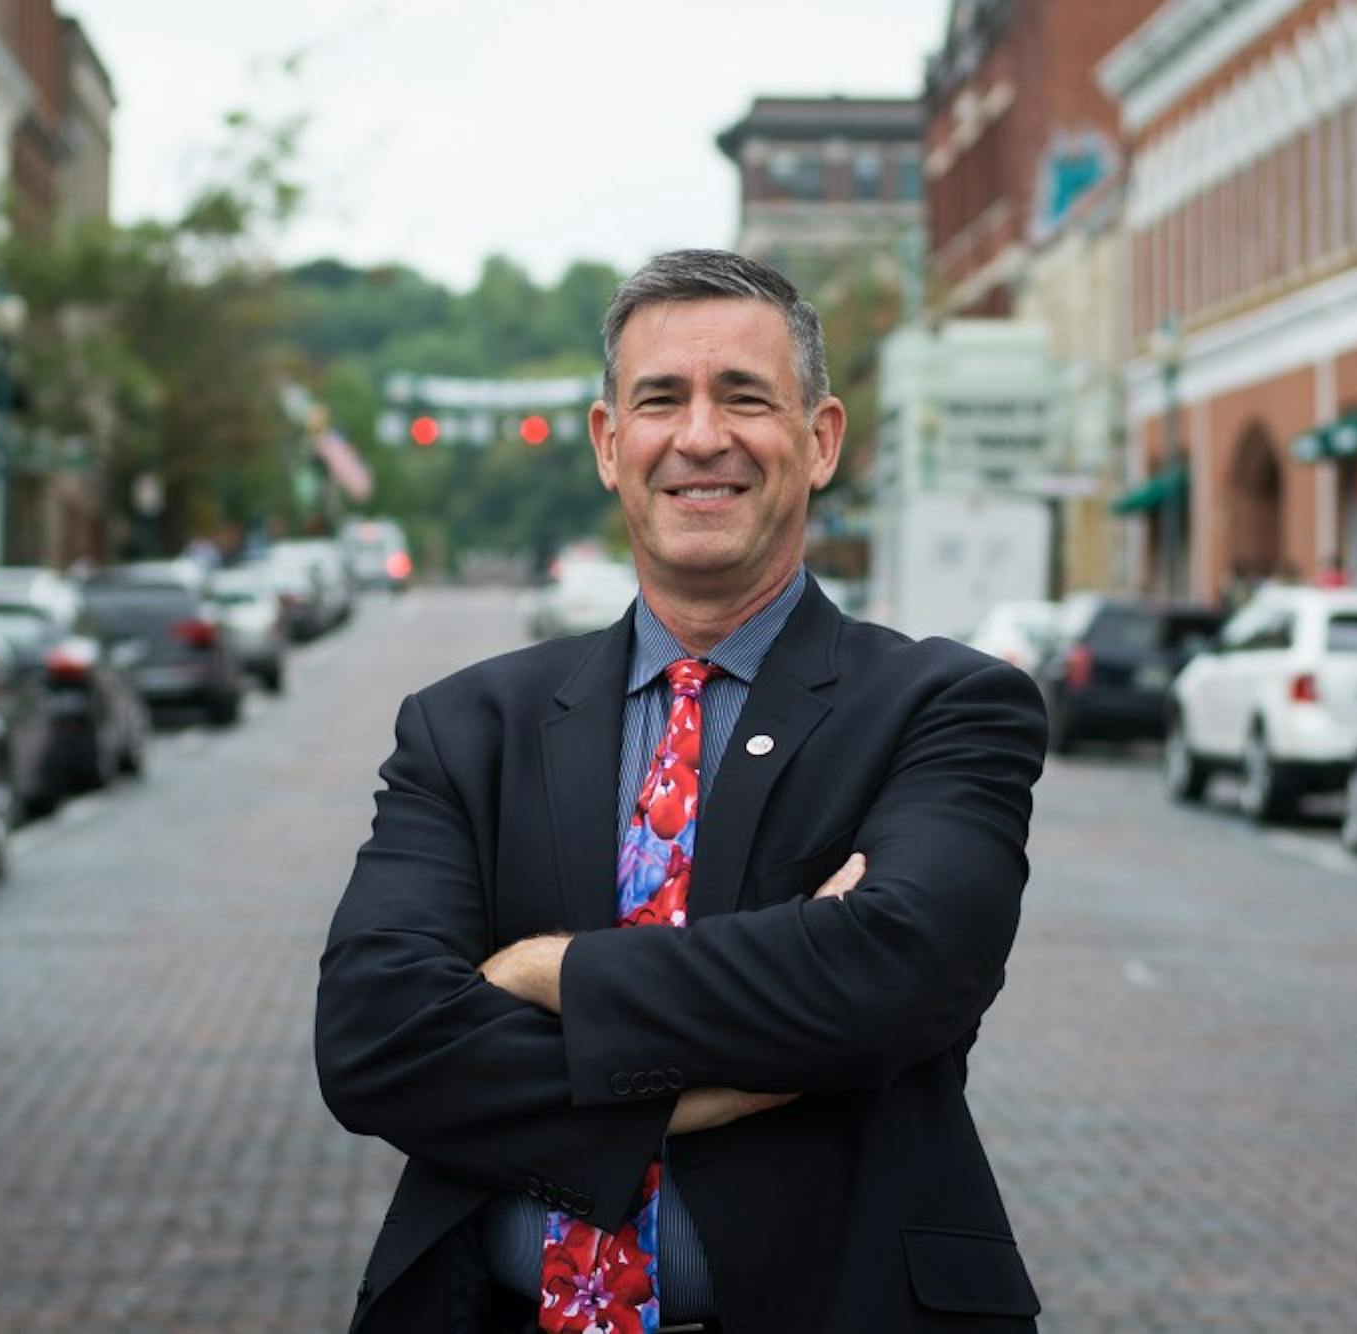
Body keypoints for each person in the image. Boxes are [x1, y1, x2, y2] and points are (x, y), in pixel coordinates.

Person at [316, 251, 1048, 1334]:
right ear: (610, 444)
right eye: (660, 400)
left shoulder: (944, 707)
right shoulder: (466, 728)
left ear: (821, 440)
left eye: (744, 397)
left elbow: (897, 972)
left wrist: (543, 972)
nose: (700, 437)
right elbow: (374, 1036)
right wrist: (706, 1082)